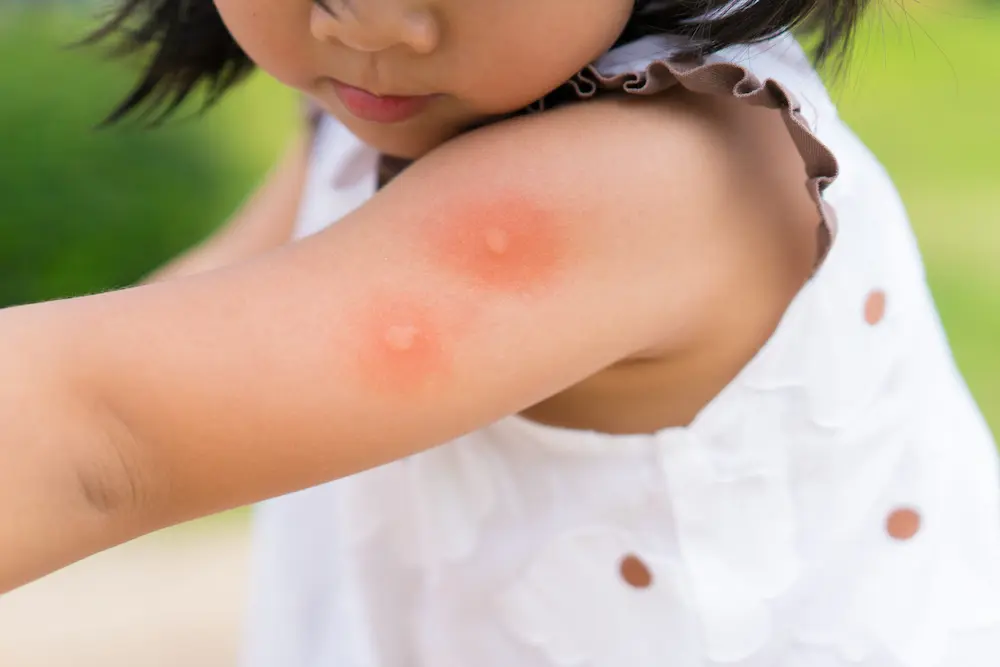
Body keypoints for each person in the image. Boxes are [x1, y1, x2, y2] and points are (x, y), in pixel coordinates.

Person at [3, 0, 1000, 665]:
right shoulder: (395, 112)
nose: (371, 18)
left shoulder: (652, 177)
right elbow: (172, 329)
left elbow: (103, 436)